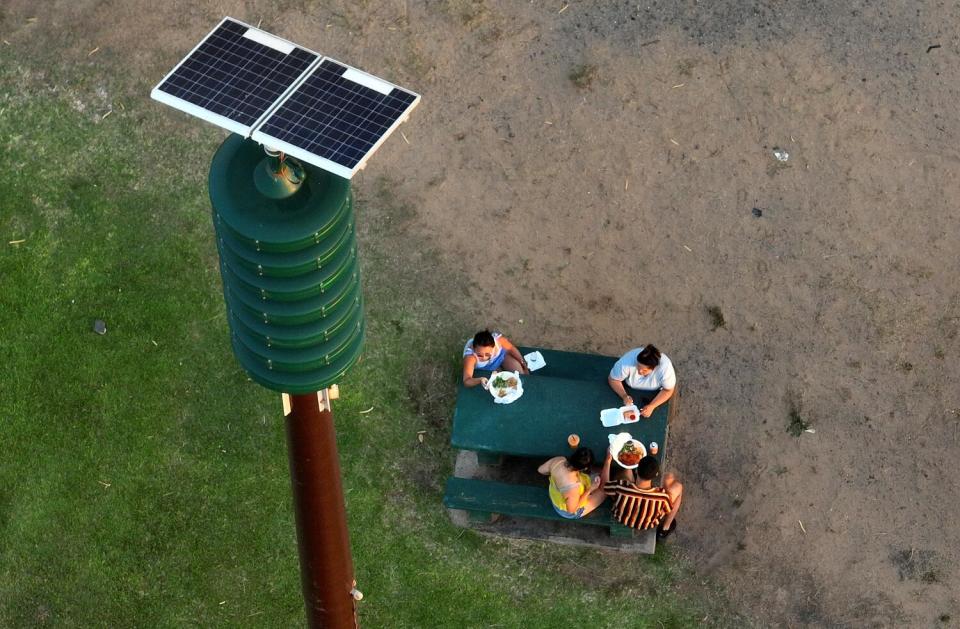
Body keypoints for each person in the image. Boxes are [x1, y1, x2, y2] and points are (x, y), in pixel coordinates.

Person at [602, 453, 683, 539]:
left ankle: (629, 482)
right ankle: (665, 527)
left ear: (637, 470)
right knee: (678, 486)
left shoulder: (621, 487)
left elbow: (604, 485)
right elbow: (668, 509)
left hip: (622, 518)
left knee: (625, 473)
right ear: (656, 475)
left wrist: (607, 461)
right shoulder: (662, 497)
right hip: (648, 524)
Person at [607, 344, 676, 418]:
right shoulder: (626, 362)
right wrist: (624, 396)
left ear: (654, 368)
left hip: (654, 393)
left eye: (644, 370)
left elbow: (668, 390)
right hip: (628, 387)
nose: (639, 371)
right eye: (638, 366)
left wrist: (652, 406)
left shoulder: (665, 369)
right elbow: (613, 379)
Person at [537, 448, 607, 519]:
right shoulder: (573, 489)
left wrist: (557, 476)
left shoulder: (559, 460)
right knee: (604, 490)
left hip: (555, 495)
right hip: (565, 510)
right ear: (584, 469)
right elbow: (572, 510)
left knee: (598, 473)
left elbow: (541, 470)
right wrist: (590, 489)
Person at [462, 329, 529, 388]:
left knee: (521, 376)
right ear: (474, 349)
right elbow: (467, 381)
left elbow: (511, 349)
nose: (484, 358)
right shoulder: (470, 358)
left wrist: (523, 363)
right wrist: (480, 380)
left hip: (501, 357)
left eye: (488, 354)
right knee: (502, 385)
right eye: (479, 355)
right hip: (487, 368)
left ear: (493, 347)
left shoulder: (499, 340)